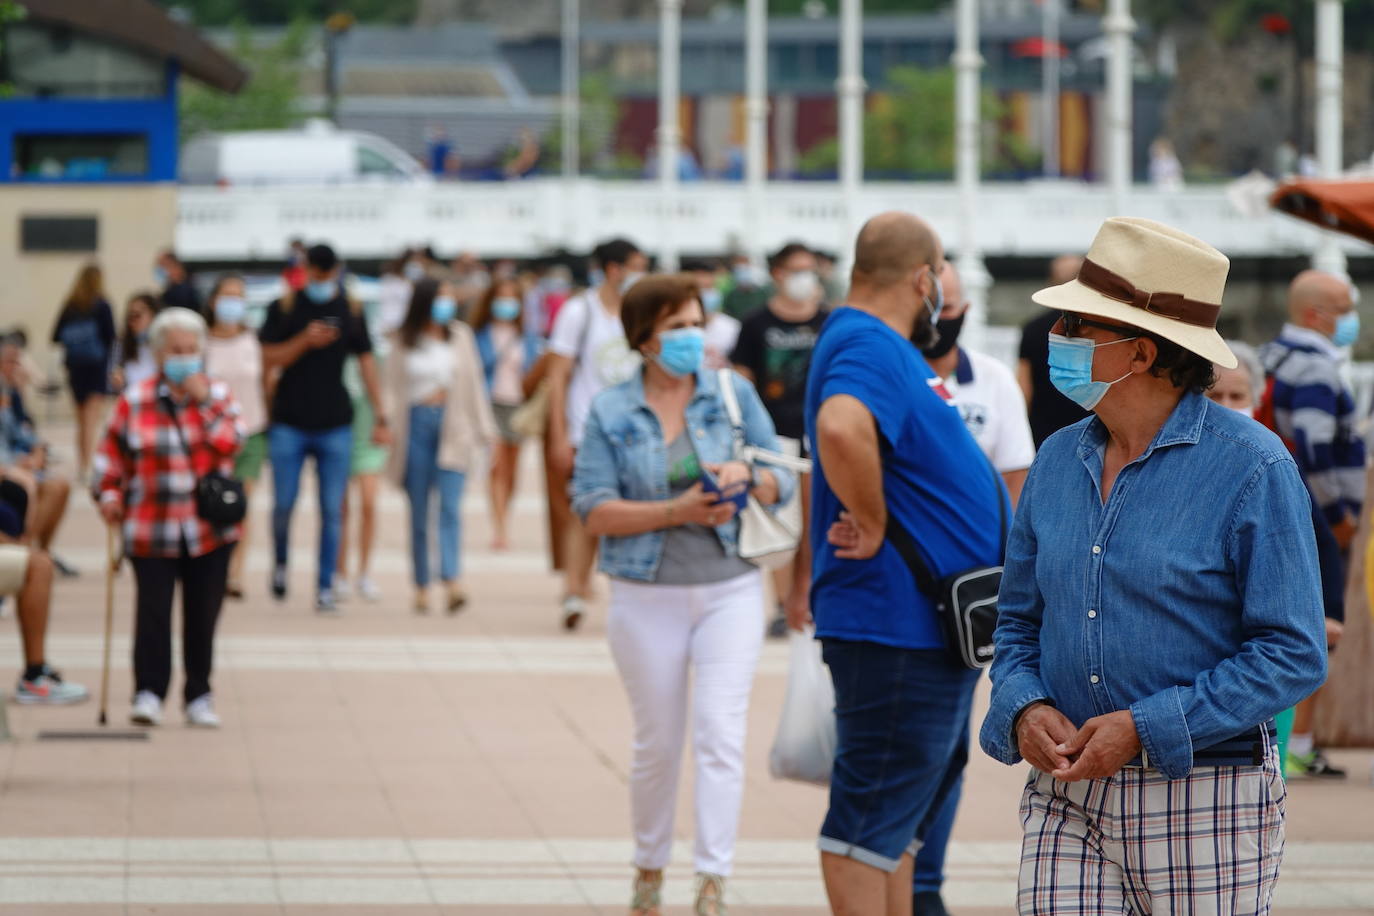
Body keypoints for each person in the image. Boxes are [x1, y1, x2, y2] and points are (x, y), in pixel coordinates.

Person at [980, 217, 1327, 914]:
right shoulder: (1055, 461)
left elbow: (1293, 652)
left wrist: (1145, 726)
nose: (1057, 338)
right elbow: (1017, 623)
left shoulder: (1254, 468)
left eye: (1078, 325)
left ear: (1138, 353)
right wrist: (1024, 708)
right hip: (1066, 793)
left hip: (1206, 792)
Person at [571, 274, 793, 916]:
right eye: (676, 327)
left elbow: (783, 477)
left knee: (720, 735)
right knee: (658, 744)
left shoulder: (732, 392)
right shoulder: (612, 410)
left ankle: (711, 882)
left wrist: (748, 475)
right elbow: (592, 509)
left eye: (697, 323)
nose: (691, 337)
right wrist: (676, 510)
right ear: (644, 338)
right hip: (645, 597)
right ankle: (648, 868)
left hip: (729, 589)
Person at [804, 212, 1004, 915]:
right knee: (869, 826)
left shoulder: (881, 344)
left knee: (898, 830)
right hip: (896, 624)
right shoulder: (867, 340)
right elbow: (840, 424)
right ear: (924, 278)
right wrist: (873, 517)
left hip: (922, 626)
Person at [913, 260, 1033, 915]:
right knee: (892, 745)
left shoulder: (989, 382)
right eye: (934, 306)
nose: (942, 319)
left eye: (952, 306)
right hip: (894, 590)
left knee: (945, 744)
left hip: (967, 602)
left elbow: (1017, 489)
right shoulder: (884, 376)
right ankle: (890, 867)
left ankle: (923, 883)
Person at [93, 307, 243, 728]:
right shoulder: (135, 400)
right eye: (176, 350)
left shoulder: (218, 396)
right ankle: (149, 691)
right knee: (153, 614)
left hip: (208, 529)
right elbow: (109, 460)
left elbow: (232, 443)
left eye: (192, 349)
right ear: (159, 355)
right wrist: (108, 495)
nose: (184, 357)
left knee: (203, 615)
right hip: (150, 525)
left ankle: (199, 693)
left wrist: (205, 402)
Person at [1208, 342, 1347, 777]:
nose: (1229, 406)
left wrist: (1330, 612)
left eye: (1238, 396)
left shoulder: (1272, 458)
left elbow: (1320, 540)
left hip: (1263, 636)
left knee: (1265, 755)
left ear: (1258, 396)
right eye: (1215, 396)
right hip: (1210, 634)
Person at [1257, 269, 1363, 780]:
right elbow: (1317, 448)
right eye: (1343, 306)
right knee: (1322, 627)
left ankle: (1290, 741)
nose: (1351, 316)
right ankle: (1295, 743)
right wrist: (1340, 516)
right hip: (1317, 514)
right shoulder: (1316, 367)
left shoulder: (1275, 355)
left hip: (1287, 507)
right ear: (1314, 314)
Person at [258, 244, 392, 612]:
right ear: (307, 271)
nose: (321, 281)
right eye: (316, 275)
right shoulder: (285, 307)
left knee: (332, 509)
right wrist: (304, 340)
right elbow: (266, 356)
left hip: (335, 422)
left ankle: (325, 584)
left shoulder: (349, 309)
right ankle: (282, 562)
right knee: (284, 504)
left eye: (327, 274)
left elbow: (366, 363)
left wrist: (381, 414)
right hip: (290, 420)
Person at [546, 238, 648, 630]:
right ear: (614, 268)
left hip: (637, 429)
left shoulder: (640, 311)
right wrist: (559, 434)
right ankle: (573, 589)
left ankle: (624, 591)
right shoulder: (579, 311)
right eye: (636, 265)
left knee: (632, 511)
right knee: (584, 511)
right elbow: (557, 376)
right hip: (587, 427)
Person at [731, 241, 827, 638]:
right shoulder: (756, 324)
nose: (805, 277)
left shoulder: (829, 320)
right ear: (778, 275)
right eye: (797, 269)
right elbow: (741, 381)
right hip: (772, 436)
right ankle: (780, 601)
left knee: (814, 521)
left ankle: (808, 597)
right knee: (780, 521)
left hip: (819, 435)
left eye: (811, 269)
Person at [384, 278, 497, 614]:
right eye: (441, 297)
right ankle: (421, 584)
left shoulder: (460, 335)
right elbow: (392, 388)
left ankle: (452, 579)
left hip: (454, 425)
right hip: (415, 425)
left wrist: (485, 430)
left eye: (450, 297)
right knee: (419, 511)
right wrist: (385, 424)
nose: (446, 303)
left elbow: (474, 384)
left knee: (450, 507)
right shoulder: (404, 339)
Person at [203, 275, 267, 601]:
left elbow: (265, 381)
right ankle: (214, 566)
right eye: (227, 295)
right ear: (214, 300)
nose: (233, 302)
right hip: (212, 434)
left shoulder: (252, 340)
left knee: (240, 503)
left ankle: (236, 573)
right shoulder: (201, 344)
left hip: (251, 432)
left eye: (239, 296)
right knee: (213, 502)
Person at [473, 277, 541, 551]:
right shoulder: (479, 334)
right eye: (502, 297)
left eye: (512, 298)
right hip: (491, 404)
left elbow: (535, 372)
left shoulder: (528, 337)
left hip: (519, 405)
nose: (506, 303)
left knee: (512, 469)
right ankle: (499, 528)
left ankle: (505, 516)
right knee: (496, 465)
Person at [0, 342, 75, 575]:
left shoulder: (8, 393)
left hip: (15, 462)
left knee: (61, 485)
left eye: (17, 362)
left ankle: (39, 551)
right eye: (10, 362)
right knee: (45, 488)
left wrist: (37, 451)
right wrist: (16, 464)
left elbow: (23, 431)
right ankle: (27, 555)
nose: (16, 367)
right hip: (8, 468)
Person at [50, 263, 116, 478]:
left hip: (76, 368)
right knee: (91, 421)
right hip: (96, 368)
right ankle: (87, 467)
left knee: (82, 421)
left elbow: (56, 336)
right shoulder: (102, 306)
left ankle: (83, 464)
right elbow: (111, 337)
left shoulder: (70, 306)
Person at [1017, 255, 1088, 448]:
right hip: (1092, 430)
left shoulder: (1033, 328)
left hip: (1044, 436)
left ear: (1050, 283)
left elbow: (1024, 391)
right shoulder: (1095, 329)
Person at [336, 350, 388, 604]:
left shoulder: (377, 354)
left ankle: (364, 572)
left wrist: (384, 421)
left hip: (368, 437)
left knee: (368, 504)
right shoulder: (337, 351)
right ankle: (340, 573)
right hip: (341, 435)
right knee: (341, 509)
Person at [686, 259, 740, 370]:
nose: (706, 294)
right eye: (700, 289)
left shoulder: (733, 327)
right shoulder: (675, 329)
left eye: (710, 288)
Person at [110, 293, 160, 393]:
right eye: (130, 316)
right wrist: (116, 379)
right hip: (133, 399)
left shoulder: (164, 344)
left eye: (138, 315)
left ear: (153, 315)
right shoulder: (122, 344)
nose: (133, 321)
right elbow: (112, 379)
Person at [722, 254, 769, 321]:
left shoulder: (764, 293)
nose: (742, 272)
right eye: (739, 269)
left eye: (745, 268)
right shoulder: (731, 295)